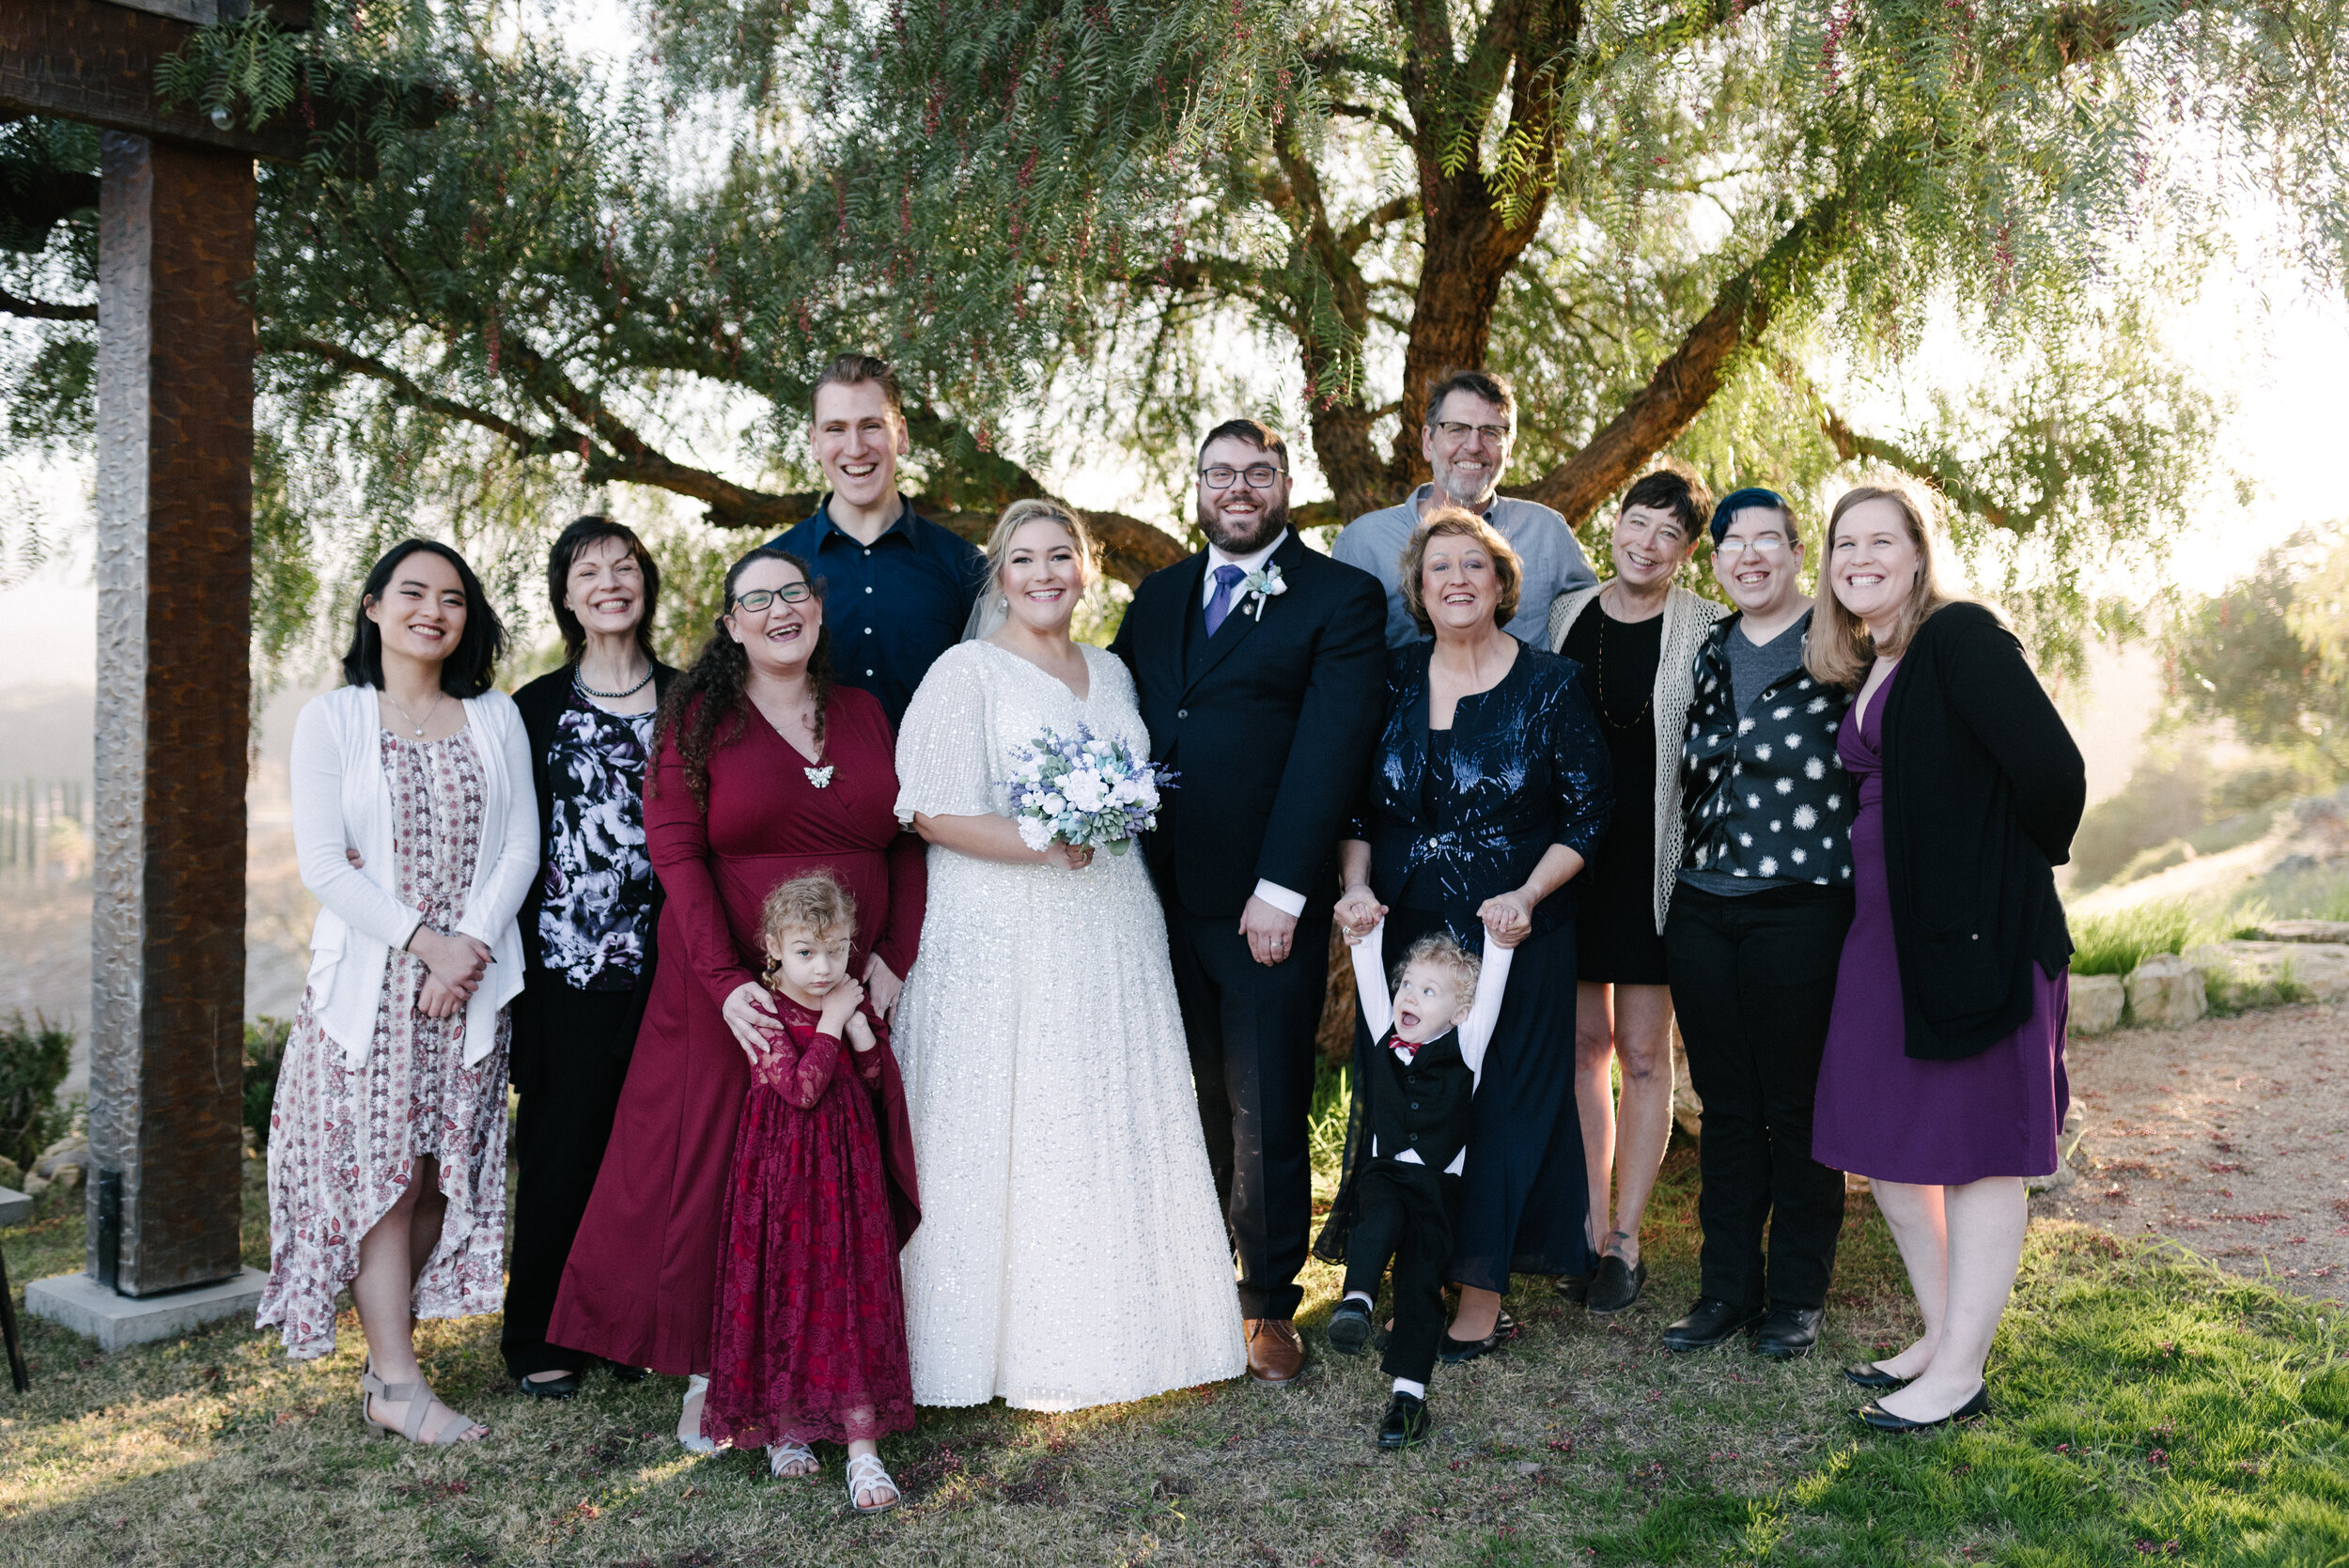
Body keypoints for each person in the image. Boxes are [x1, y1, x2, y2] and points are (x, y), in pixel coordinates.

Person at [549, 547, 926, 1452]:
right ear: (730, 626)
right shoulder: (698, 719)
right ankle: (712, 1370)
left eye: (793, 592)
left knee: (835, 1176)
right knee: (721, 1176)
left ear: (818, 608)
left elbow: (911, 840)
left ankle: (835, 1363)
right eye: (755, 600)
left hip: (849, 981)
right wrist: (724, 985)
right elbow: (675, 853)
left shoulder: (868, 712)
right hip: (732, 989)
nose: (778, 609)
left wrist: (893, 955)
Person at [893, 498, 1245, 1408]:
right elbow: (927, 808)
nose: (1044, 574)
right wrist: (1040, 842)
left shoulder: (1114, 672)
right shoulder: (964, 671)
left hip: (1110, 918)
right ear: (999, 576)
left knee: (1098, 1105)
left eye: (1061, 557)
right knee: (1010, 1114)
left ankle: (1116, 1331)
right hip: (1002, 924)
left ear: (1084, 570)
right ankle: (978, 1352)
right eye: (1024, 559)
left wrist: (1100, 822)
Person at [1110, 421, 1389, 1385]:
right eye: (1219, 474)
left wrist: (1283, 889)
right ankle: (1194, 1283)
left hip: (1264, 903)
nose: (1237, 488)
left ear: (1284, 486)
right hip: (1153, 896)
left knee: (1265, 1101)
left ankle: (1269, 1304)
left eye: (1256, 474)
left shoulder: (1340, 599)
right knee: (1184, 1096)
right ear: (1195, 487)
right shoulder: (1154, 598)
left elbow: (1330, 748)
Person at [1805, 485, 2084, 1432]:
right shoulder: (1877, 662)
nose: (1861, 557)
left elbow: (2053, 774)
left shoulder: (1959, 635)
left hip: (1978, 939)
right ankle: (1937, 1333)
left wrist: (1999, 879)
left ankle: (1959, 1373)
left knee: (1977, 1158)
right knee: (1886, 1146)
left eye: (1882, 540)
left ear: (1919, 555)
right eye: (1846, 543)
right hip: (1890, 940)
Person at [260, 540, 536, 1448]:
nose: (433, 609)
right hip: (372, 991)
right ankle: (395, 1379)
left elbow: (518, 851)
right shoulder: (334, 719)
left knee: (432, 1179)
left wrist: (466, 953)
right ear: (373, 607)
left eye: (452, 597)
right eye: (412, 592)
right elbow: (323, 867)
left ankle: (389, 1356)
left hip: (470, 985)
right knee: (381, 1181)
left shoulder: (494, 716)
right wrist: (426, 943)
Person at [1334, 508, 1611, 1359]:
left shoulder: (1551, 682)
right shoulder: (1388, 676)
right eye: (1438, 568)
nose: (1456, 579)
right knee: (1406, 1095)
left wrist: (1525, 894)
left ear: (1501, 584)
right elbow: (1354, 804)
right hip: (1406, 922)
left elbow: (1590, 813)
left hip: (1510, 929)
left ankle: (1481, 1289)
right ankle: (1396, 1262)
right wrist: (1353, 888)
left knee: (1498, 1102)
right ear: (1418, 590)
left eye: (1473, 566)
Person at [1659, 489, 1857, 1360]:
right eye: (1731, 543)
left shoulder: (1840, 644)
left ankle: (1797, 1295)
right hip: (1703, 906)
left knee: (1797, 1106)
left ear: (1795, 551)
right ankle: (1726, 1289)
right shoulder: (1707, 649)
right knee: (1727, 1106)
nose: (1749, 556)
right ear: (1717, 563)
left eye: (1766, 540)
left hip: (1801, 905)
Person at [503, 517, 679, 1398]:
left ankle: (623, 1329)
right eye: (587, 570)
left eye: (625, 566)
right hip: (565, 969)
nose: (610, 581)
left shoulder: (692, 699)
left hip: (671, 970)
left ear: (646, 582)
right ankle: (540, 1337)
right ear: (566, 596)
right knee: (562, 1148)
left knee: (646, 1156)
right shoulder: (531, 709)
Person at [1545, 469, 1726, 1315]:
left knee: (1647, 1054)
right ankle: (1585, 1223)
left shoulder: (1703, 627)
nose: (1645, 543)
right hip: (1573, 859)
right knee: (1584, 1050)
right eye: (1635, 522)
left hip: (1656, 863)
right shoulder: (1565, 615)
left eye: (1668, 533)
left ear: (1689, 552)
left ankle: (1627, 1237)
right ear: (1613, 524)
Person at [703, 871, 917, 1514]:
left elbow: (875, 1079)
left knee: (847, 1289)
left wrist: (856, 1031)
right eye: (805, 952)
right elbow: (798, 1088)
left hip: (847, 1176)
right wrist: (832, 1019)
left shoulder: (844, 1004)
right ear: (773, 947)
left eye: (836, 949)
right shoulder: (766, 1011)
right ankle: (786, 1427)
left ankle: (861, 1446)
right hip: (784, 1180)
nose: (823, 967)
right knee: (789, 1290)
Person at [1318, 924, 1514, 1451]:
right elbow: (1366, 970)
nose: (1409, 995)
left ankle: (1408, 1400)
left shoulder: (1468, 1044)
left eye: (1430, 992)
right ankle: (1356, 1302)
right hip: (1385, 1173)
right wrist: (1366, 930)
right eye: (1408, 984)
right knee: (1375, 1218)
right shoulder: (1386, 1028)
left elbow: (1491, 986)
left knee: (1419, 1282)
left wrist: (1499, 942)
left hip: (1436, 1186)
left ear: (1458, 1013)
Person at [764, 353, 988, 727]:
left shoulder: (965, 567)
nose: (854, 448)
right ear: (814, 441)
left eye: (871, 426)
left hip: (935, 785)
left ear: (900, 434)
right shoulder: (772, 568)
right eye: (836, 429)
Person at [1334, 368, 1597, 648]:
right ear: (1428, 441)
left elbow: (1596, 627)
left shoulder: (1547, 532)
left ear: (1508, 450)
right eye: (1457, 429)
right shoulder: (1362, 543)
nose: (1473, 446)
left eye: (1490, 432)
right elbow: (1338, 654)